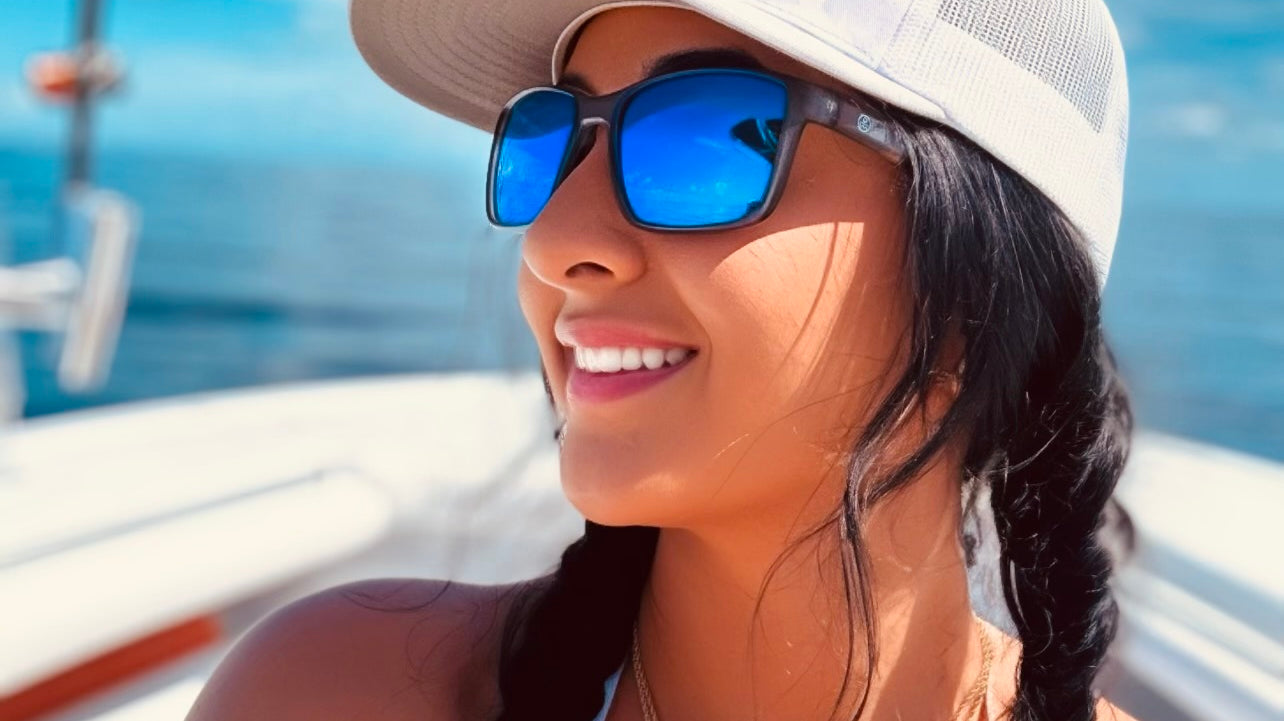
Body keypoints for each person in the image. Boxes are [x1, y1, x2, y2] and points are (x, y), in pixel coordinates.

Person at [187, 1, 1139, 720]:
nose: (555, 239)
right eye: (549, 138)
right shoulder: (335, 690)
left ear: (987, 288)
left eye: (706, 136)